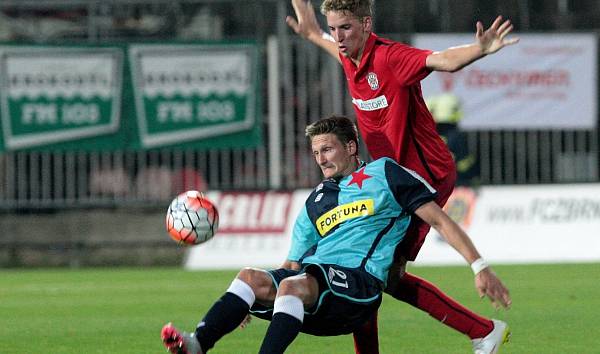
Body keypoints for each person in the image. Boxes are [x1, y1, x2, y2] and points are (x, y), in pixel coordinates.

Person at [160, 115, 511, 354]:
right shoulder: (316, 200)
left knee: (294, 284)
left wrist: (479, 266)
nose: (322, 159)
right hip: (319, 289)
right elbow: (290, 264)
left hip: (360, 286)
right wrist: (249, 301)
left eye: (327, 149)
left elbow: (439, 220)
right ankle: (197, 344)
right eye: (316, 153)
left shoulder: (385, 174)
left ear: (351, 146)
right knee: (251, 277)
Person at [286, 1, 517, 353]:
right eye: (333, 28)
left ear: (366, 23)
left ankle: (483, 330)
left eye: (344, 28)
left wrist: (480, 50)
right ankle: (482, 331)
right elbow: (331, 45)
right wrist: (312, 32)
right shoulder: (350, 57)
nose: (338, 37)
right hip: (389, 177)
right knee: (375, 272)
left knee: (377, 272)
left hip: (426, 173)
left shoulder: (390, 58)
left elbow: (443, 60)